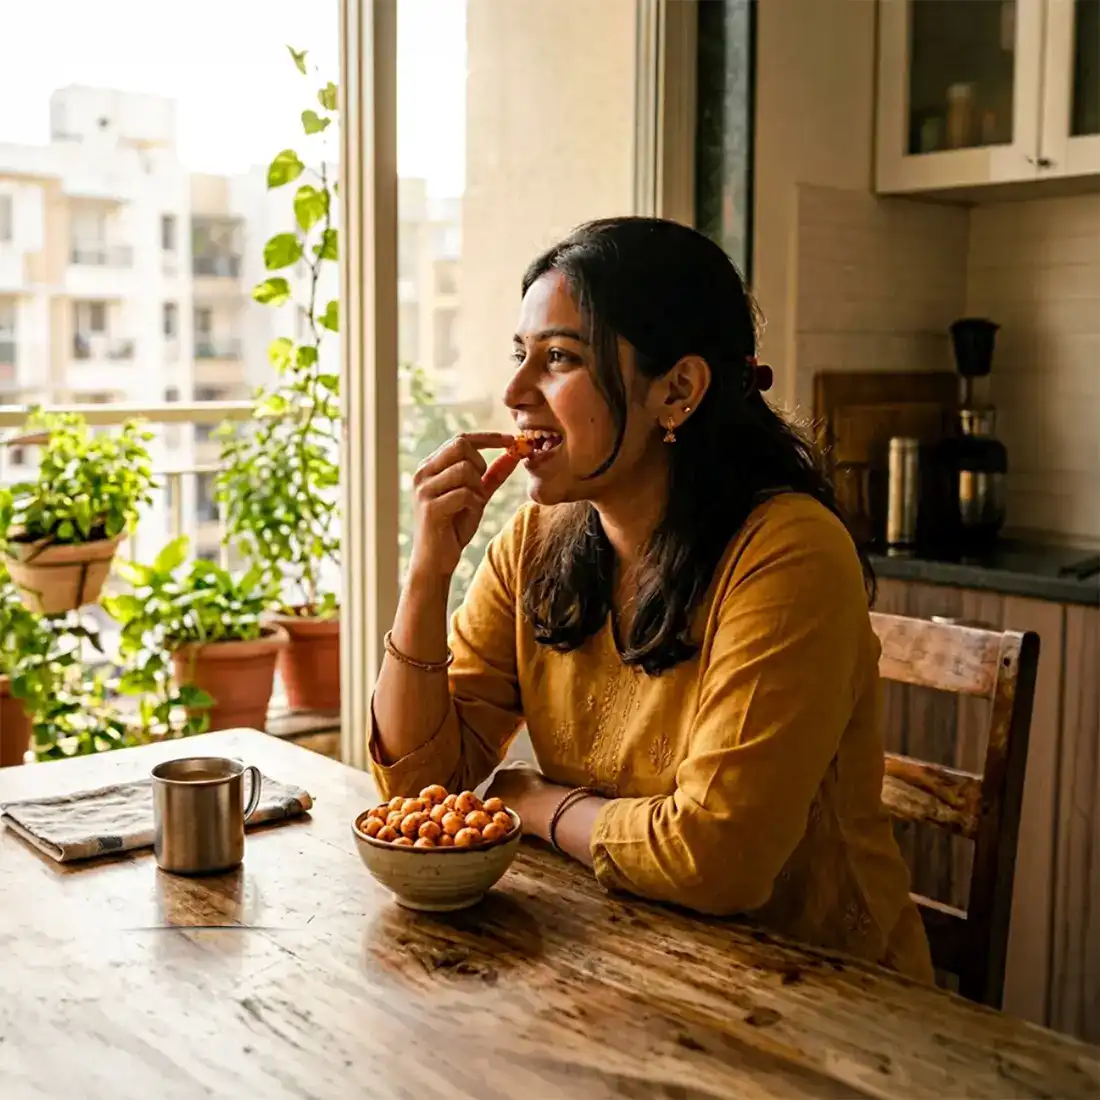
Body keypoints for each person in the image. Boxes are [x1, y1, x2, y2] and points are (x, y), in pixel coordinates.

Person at [370, 216, 933, 982]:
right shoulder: (536, 541)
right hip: (627, 962)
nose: (513, 393)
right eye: (519, 355)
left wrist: (536, 804)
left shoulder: (789, 554)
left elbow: (718, 858)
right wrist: (429, 571)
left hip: (824, 1001)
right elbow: (416, 789)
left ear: (678, 391)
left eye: (560, 358)